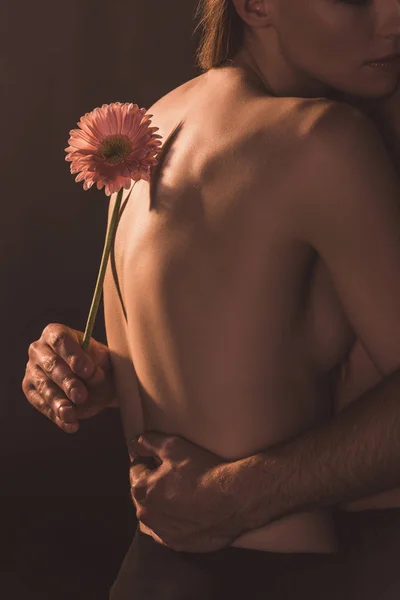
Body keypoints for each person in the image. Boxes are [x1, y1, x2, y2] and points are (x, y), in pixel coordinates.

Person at [21, 0, 400, 598]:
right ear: (254, 5)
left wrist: (95, 369)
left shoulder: (149, 129)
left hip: (151, 572)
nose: (394, 16)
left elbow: (218, 352)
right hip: (281, 576)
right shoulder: (323, 139)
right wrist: (241, 491)